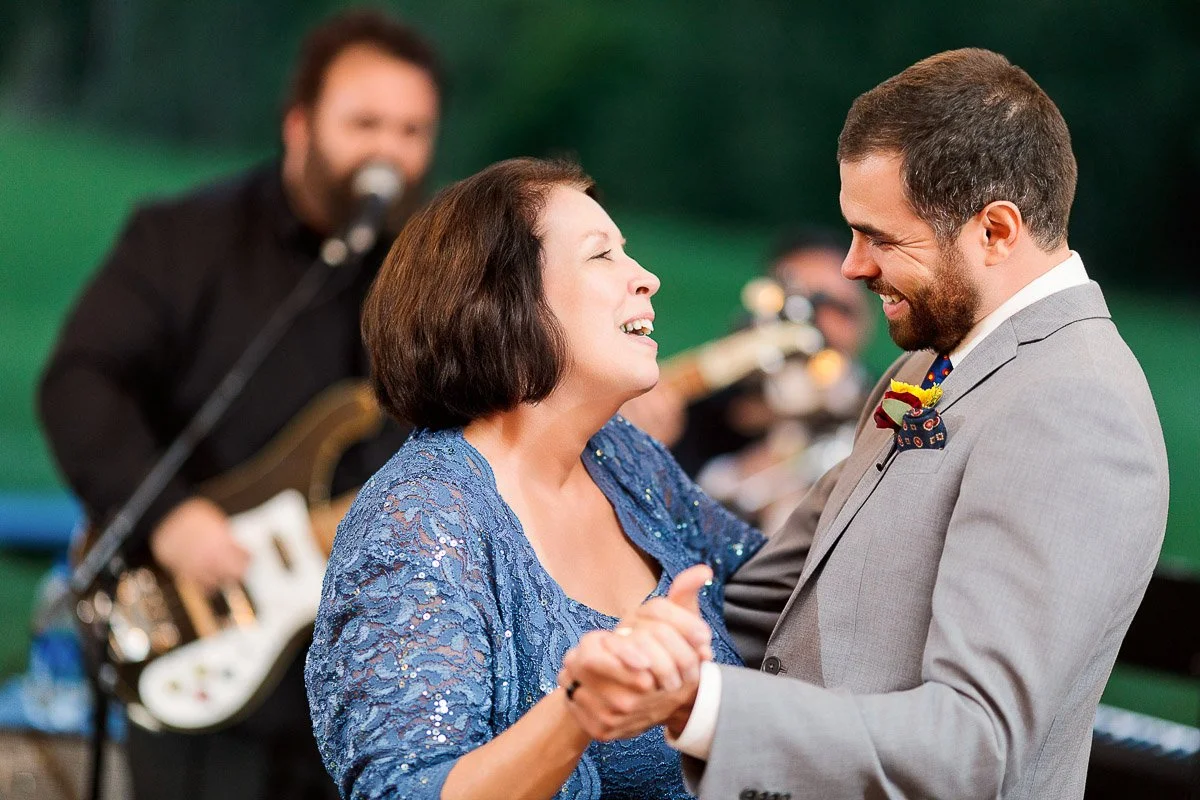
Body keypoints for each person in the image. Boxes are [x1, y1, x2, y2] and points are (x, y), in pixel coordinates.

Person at [559, 48, 1170, 800]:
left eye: (881, 237)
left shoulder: (1075, 408)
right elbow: (762, 599)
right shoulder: (927, 368)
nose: (851, 267)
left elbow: (974, 746)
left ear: (997, 231)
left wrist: (699, 703)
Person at [37, 9, 442, 799]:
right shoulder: (183, 238)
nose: (388, 153)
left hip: (367, 678)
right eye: (365, 123)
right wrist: (169, 515)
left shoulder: (434, 276)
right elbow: (80, 381)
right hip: (202, 645)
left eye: (412, 131)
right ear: (299, 125)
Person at [304, 157, 765, 799]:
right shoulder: (418, 522)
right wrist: (578, 712)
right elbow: (409, 789)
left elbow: (773, 587)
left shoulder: (621, 456)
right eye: (603, 255)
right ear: (503, 304)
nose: (648, 278)